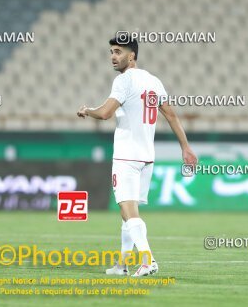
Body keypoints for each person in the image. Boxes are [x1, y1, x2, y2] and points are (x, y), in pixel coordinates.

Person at [77, 34, 197, 276]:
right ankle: (122, 265)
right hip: (146, 158)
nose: (113, 56)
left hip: (126, 157)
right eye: (111, 51)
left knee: (128, 211)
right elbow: (171, 116)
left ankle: (148, 260)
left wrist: (87, 110)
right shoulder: (154, 81)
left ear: (132, 56)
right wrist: (185, 147)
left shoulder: (124, 81)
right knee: (127, 214)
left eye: (118, 52)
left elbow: (105, 113)